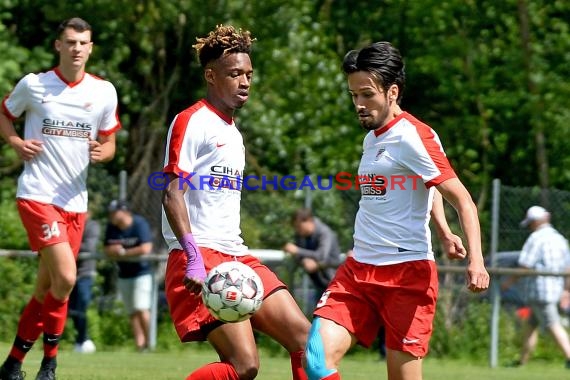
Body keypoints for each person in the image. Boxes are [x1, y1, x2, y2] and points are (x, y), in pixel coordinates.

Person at [303, 41, 490, 380]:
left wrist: (476, 260)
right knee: (315, 359)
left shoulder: (415, 136)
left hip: (407, 275)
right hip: (359, 269)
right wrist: (446, 232)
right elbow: (422, 184)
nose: (359, 105)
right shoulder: (372, 137)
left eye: (367, 95)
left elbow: (462, 198)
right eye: (354, 96)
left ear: (392, 92)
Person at [161, 24, 310, 380]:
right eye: (234, 74)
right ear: (211, 76)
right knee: (245, 366)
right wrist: (194, 256)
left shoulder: (233, 132)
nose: (244, 81)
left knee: (307, 340)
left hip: (236, 255)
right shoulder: (191, 121)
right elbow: (171, 194)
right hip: (199, 256)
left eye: (248, 74)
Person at [0, 17, 120, 380]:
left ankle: (12, 365)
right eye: (70, 42)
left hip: (75, 203)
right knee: (66, 277)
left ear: (91, 48)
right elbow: (4, 115)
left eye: (83, 43)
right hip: (37, 194)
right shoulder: (34, 85)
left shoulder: (103, 91)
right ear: (58, 45)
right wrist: (16, 142)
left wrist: (106, 152)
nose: (77, 49)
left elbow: (110, 141)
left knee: (45, 288)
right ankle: (50, 363)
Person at [503, 206, 570, 369]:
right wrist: (566, 290)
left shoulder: (536, 238)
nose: (530, 227)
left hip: (540, 290)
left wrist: (509, 282)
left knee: (552, 323)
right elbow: (568, 267)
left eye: (530, 223)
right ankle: (522, 361)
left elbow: (526, 264)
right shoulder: (560, 239)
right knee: (530, 325)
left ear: (535, 222)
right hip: (554, 288)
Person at [104, 199, 154, 352]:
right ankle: (140, 346)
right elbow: (107, 250)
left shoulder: (139, 224)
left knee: (142, 308)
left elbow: (146, 248)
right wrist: (118, 252)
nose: (111, 215)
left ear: (124, 211)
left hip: (141, 273)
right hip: (124, 274)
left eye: (114, 212)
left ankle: (150, 344)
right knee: (132, 311)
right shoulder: (112, 227)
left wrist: (122, 252)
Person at [283, 208, 342, 298]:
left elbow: (321, 255)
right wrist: (304, 260)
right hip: (318, 283)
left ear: (309, 221)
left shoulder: (324, 232)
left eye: (299, 226)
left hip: (333, 283)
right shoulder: (301, 236)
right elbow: (299, 257)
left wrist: (297, 250)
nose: (297, 230)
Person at [68, 210, 100, 354]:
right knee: (70, 309)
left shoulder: (92, 226)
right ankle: (80, 340)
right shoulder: (69, 225)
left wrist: (64, 247)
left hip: (84, 274)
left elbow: (89, 247)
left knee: (81, 306)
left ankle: (83, 339)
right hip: (68, 272)